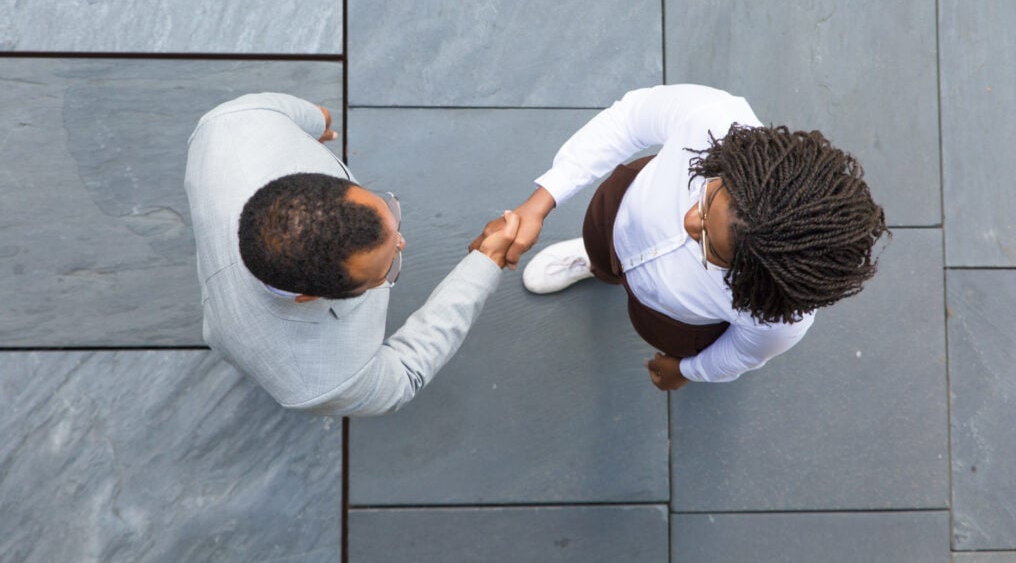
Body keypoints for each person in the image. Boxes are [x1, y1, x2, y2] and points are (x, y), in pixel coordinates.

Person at [470, 84, 887, 390]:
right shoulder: (715, 118)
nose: (690, 222)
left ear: (757, 282)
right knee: (601, 249)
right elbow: (630, 119)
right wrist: (541, 202)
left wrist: (687, 370)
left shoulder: (778, 316)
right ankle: (596, 264)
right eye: (708, 197)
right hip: (619, 213)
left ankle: (607, 270)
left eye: (710, 247)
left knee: (645, 321)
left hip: (671, 316)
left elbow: (740, 353)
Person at [186, 92, 519, 416]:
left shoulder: (230, 123)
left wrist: (318, 122)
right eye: (384, 272)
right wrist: (486, 262)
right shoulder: (324, 383)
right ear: (306, 297)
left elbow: (318, 116)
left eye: (389, 214)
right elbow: (404, 373)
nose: (401, 242)